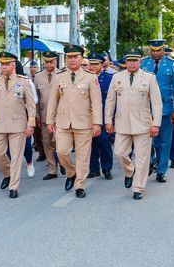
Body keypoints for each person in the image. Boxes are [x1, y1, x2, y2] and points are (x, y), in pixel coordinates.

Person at [105, 47, 162, 200]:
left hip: (143, 123)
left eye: (134, 60)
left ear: (140, 62)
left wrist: (156, 123)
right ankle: (130, 171)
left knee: (142, 158)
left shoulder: (149, 78)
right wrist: (107, 120)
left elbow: (157, 103)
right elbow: (110, 100)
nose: (131, 63)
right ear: (125, 62)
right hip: (122, 122)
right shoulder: (117, 77)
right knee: (120, 152)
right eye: (129, 60)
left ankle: (138, 188)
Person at [46, 45, 102, 199]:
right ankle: (71, 172)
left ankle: (80, 185)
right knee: (62, 152)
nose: (72, 60)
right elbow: (52, 101)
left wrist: (97, 123)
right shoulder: (59, 76)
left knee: (83, 157)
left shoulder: (90, 77)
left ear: (82, 58)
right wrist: (49, 121)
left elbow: (96, 102)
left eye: (75, 56)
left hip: (84, 123)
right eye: (69, 57)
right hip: (63, 122)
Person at [0, 52, 36, 199]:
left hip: (18, 124)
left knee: (16, 156)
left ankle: (13, 187)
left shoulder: (23, 81)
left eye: (7, 64)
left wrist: (30, 123)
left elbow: (31, 105)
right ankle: (7, 173)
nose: (4, 67)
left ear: (13, 65)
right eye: (3, 64)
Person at [140, 39, 174, 183]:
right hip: (146, 109)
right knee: (148, 140)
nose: (156, 53)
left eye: (158, 50)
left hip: (166, 109)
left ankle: (161, 170)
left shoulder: (173, 64)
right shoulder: (143, 63)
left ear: (163, 49)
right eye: (153, 50)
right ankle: (151, 161)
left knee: (164, 140)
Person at [34, 51, 62, 180]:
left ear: (56, 61)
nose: (49, 64)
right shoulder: (38, 77)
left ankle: (63, 162)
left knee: (60, 143)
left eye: (51, 61)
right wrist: (36, 116)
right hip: (44, 116)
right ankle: (52, 169)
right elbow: (36, 99)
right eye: (46, 62)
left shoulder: (62, 74)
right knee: (47, 143)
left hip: (60, 116)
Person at [87, 52, 114, 179]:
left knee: (104, 142)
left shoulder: (109, 78)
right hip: (88, 117)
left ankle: (106, 168)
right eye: (90, 64)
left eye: (95, 64)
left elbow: (112, 99)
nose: (92, 67)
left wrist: (112, 117)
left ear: (102, 65)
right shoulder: (85, 78)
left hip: (104, 117)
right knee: (90, 143)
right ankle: (93, 169)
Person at [16, 60, 37, 178]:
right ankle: (13, 169)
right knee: (8, 149)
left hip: (24, 117)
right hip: (8, 118)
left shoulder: (26, 82)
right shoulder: (1, 81)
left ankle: (29, 162)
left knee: (27, 145)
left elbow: (34, 100)